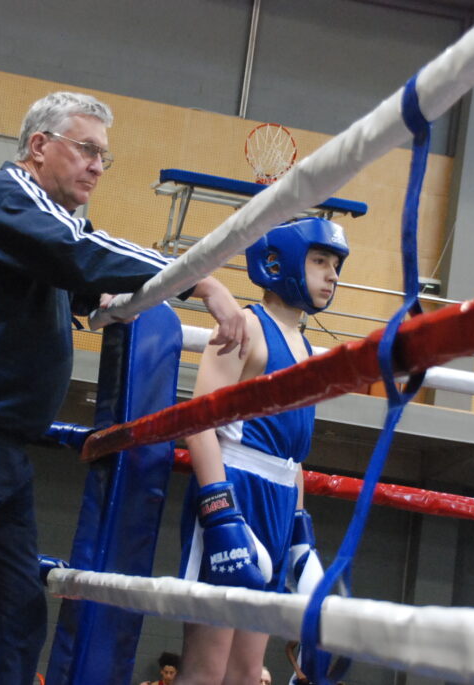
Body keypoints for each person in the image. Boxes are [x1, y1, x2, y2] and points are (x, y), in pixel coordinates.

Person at [0, 91, 247, 685]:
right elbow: (78, 253)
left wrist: (106, 296)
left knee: (13, 624)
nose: (97, 165)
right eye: (87, 149)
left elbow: (76, 268)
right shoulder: (7, 197)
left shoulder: (41, 223)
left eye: (103, 156)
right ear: (39, 146)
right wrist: (201, 278)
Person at [175, 217, 348, 685]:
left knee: (247, 672)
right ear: (281, 262)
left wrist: (301, 533)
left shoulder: (307, 348)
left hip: (280, 502)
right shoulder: (245, 326)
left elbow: (293, 457)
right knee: (207, 667)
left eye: (335, 265)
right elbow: (197, 423)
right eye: (319, 261)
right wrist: (220, 513)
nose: (332, 275)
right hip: (234, 490)